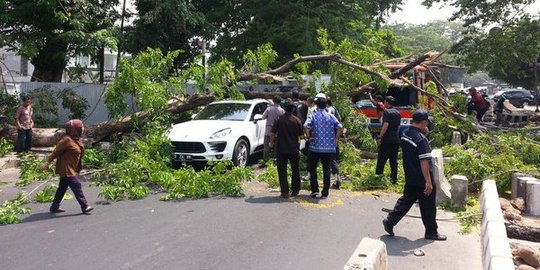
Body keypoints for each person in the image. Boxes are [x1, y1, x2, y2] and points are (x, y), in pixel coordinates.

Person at [382, 110, 446, 241]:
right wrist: (428, 181)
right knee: (428, 206)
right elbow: (424, 161)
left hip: (410, 175)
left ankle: (390, 221)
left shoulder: (405, 133)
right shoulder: (421, 140)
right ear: (424, 122)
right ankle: (431, 232)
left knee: (406, 200)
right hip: (421, 177)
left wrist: (424, 134)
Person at [39, 119, 94, 214]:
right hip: (66, 169)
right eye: (81, 127)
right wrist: (47, 162)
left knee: (62, 188)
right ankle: (84, 206)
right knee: (76, 185)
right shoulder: (66, 140)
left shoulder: (77, 139)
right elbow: (56, 152)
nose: (83, 129)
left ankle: (54, 207)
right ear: (74, 129)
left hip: (72, 168)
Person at [304, 96, 343, 199]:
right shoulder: (331, 116)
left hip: (315, 147)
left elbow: (305, 126)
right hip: (329, 148)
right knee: (326, 169)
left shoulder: (313, 116)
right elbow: (340, 127)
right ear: (326, 105)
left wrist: (309, 137)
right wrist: (336, 139)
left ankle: (315, 190)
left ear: (316, 105)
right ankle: (325, 192)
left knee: (312, 168)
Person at [270, 99, 304, 198]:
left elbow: (272, 133)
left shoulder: (279, 119)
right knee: (295, 169)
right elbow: (301, 136)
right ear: (293, 109)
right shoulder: (297, 120)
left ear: (284, 108)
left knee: (282, 170)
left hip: (281, 149)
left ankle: (284, 191)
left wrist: (271, 143)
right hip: (294, 149)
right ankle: (295, 190)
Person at [375, 96, 401, 184]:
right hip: (396, 139)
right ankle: (394, 179)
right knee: (393, 161)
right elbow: (398, 126)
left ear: (387, 102)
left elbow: (385, 125)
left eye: (385, 102)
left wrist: (380, 136)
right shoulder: (398, 112)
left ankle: (378, 177)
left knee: (381, 159)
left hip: (387, 140)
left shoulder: (387, 112)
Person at [325, 96, 342, 189]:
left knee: (327, 161)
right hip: (334, 138)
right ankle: (336, 179)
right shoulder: (334, 109)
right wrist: (337, 137)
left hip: (325, 139)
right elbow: (339, 120)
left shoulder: (325, 111)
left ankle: (332, 181)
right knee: (333, 160)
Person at [262, 95, 285, 164]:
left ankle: (266, 161)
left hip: (268, 130)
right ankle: (276, 161)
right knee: (276, 147)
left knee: (266, 146)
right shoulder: (282, 111)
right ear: (280, 102)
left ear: (273, 101)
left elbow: (263, 117)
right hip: (278, 132)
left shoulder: (268, 109)